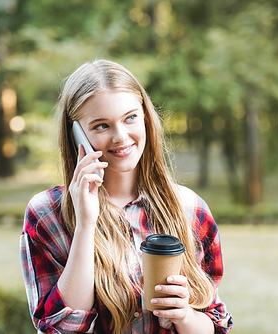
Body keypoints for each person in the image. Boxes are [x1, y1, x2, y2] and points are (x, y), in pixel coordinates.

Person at [20, 59, 233, 334]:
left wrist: (185, 316)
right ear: (77, 134)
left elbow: (214, 324)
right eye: (101, 126)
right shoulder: (46, 214)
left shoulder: (190, 208)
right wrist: (86, 223)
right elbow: (64, 327)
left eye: (130, 118)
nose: (121, 136)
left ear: (145, 117)